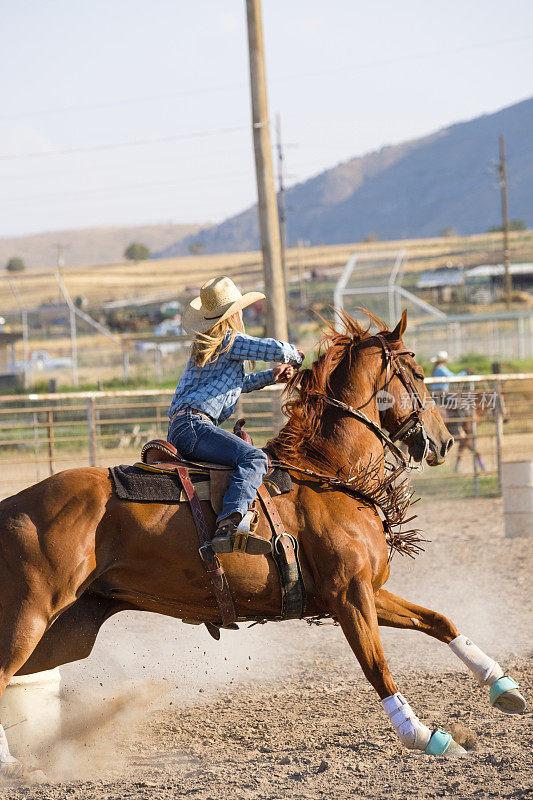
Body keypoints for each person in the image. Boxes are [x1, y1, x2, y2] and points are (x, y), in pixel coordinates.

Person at [167, 276, 303, 555]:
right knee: (254, 457)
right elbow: (272, 349)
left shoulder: (208, 348)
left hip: (183, 427)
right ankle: (230, 523)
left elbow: (233, 385)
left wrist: (271, 375)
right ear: (236, 313)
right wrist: (294, 355)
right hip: (196, 425)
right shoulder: (230, 340)